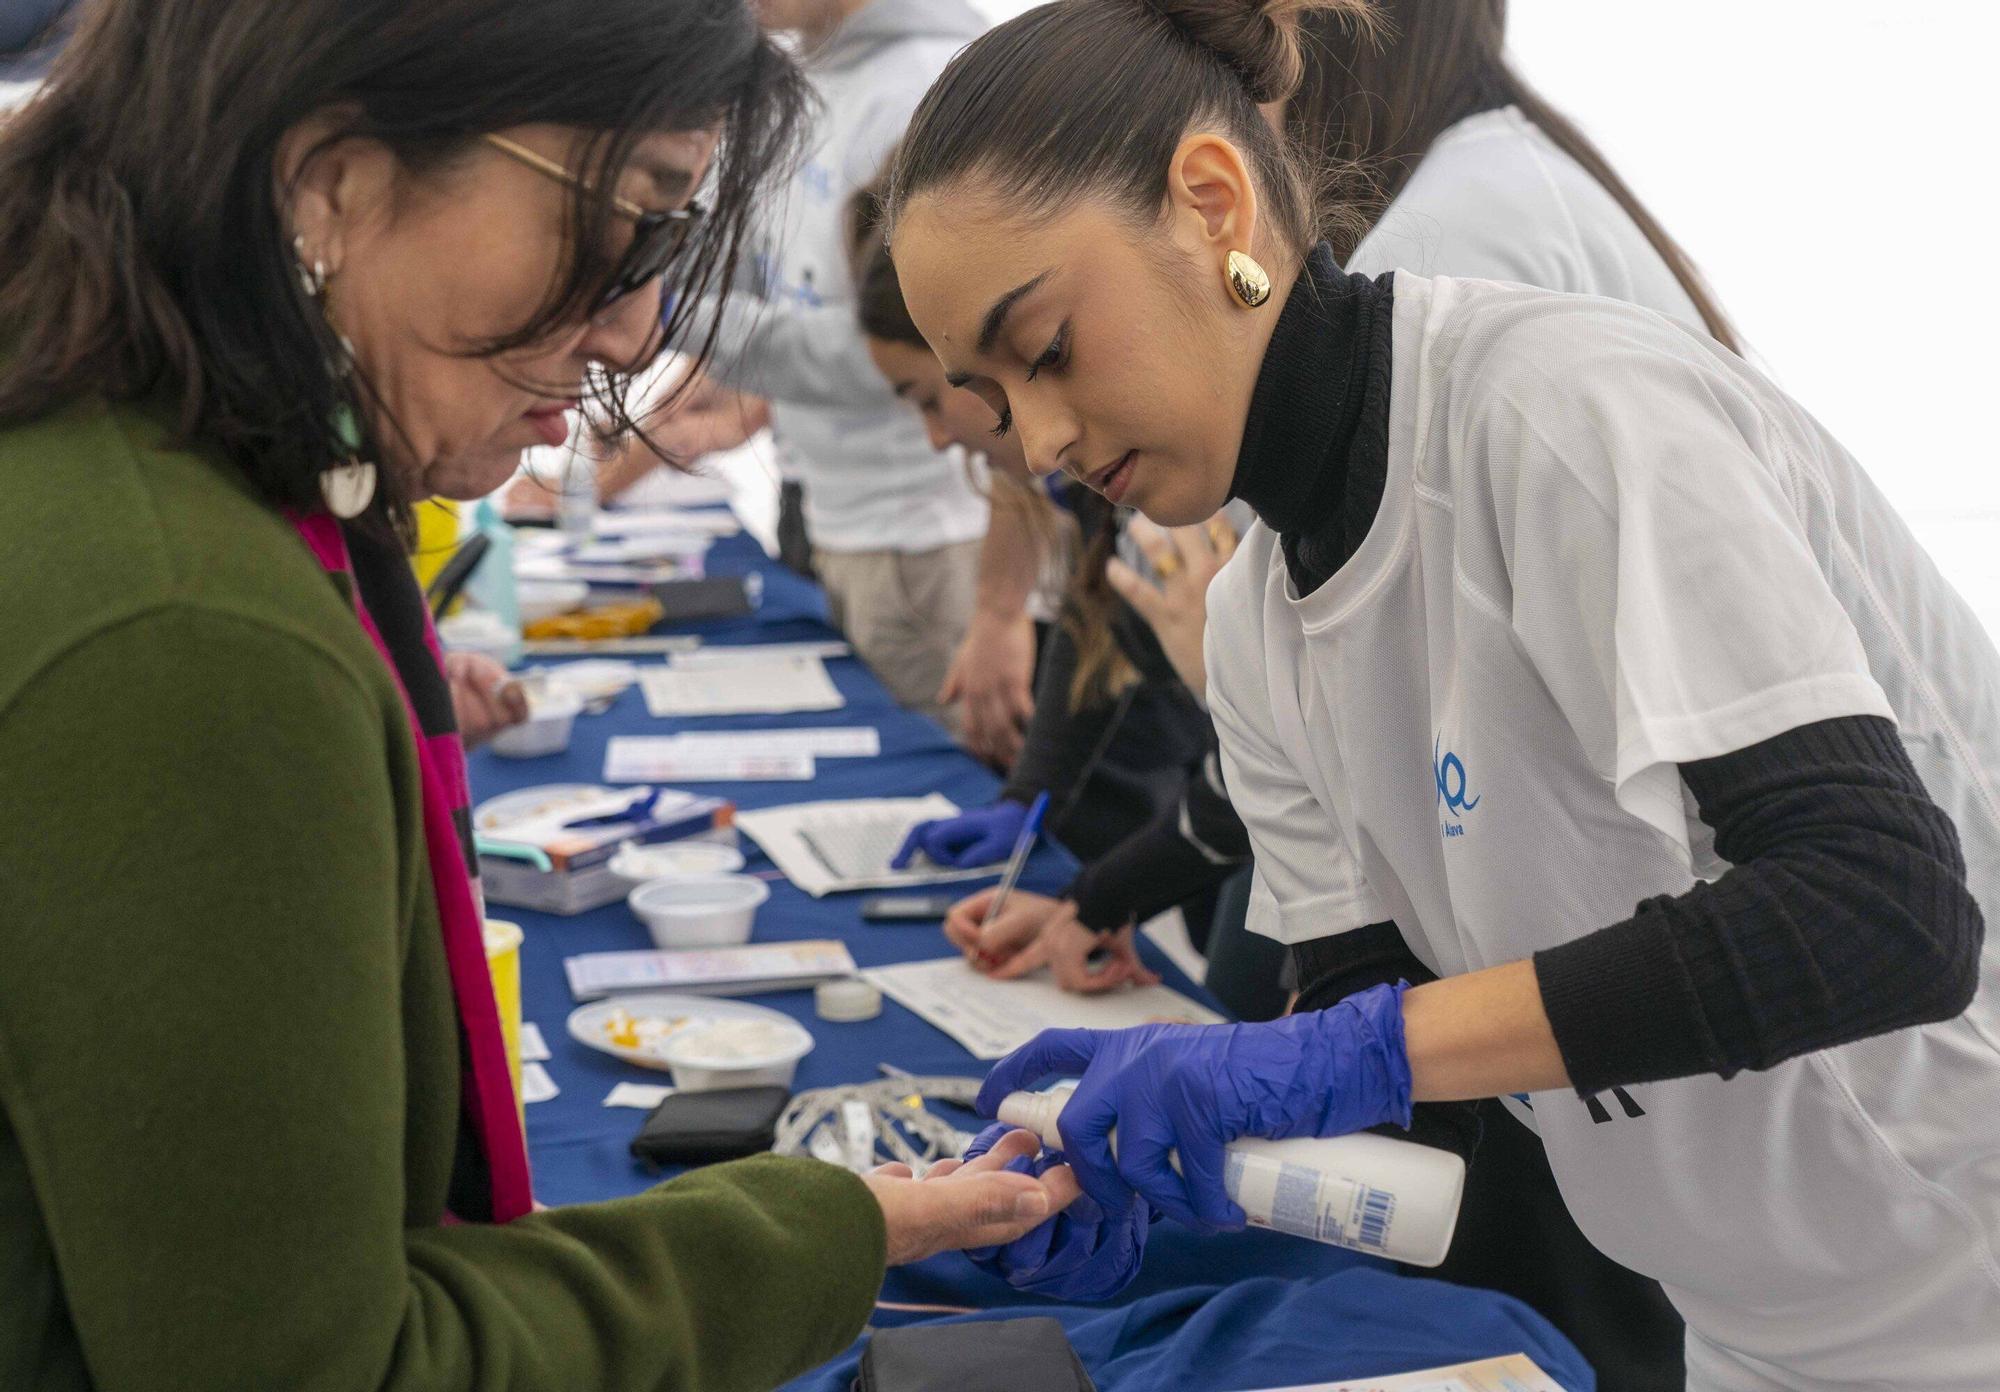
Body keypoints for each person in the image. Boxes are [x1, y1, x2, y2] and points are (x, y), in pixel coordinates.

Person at [884, 2, 2000, 1388]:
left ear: (1210, 200)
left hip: (1965, 1279)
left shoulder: (1553, 414)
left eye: (1044, 346)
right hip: (1755, 1326)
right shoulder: (1259, 627)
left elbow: (1887, 911)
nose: (1042, 440)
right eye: (990, 400)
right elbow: (1425, 1133)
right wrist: (1183, 1171)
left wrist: (1348, 1055)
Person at [0, 4, 1073, 1390]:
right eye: (631, 224)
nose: (638, 328)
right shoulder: (192, 636)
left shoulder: (120, 469)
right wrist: (814, 1234)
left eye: (676, 246)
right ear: (334, 179)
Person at [660, 0, 995, 731]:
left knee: (918, 794)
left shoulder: (916, 84)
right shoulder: (806, 79)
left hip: (919, 537)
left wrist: (666, 314)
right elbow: (758, 274)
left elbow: (893, 352)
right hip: (835, 511)